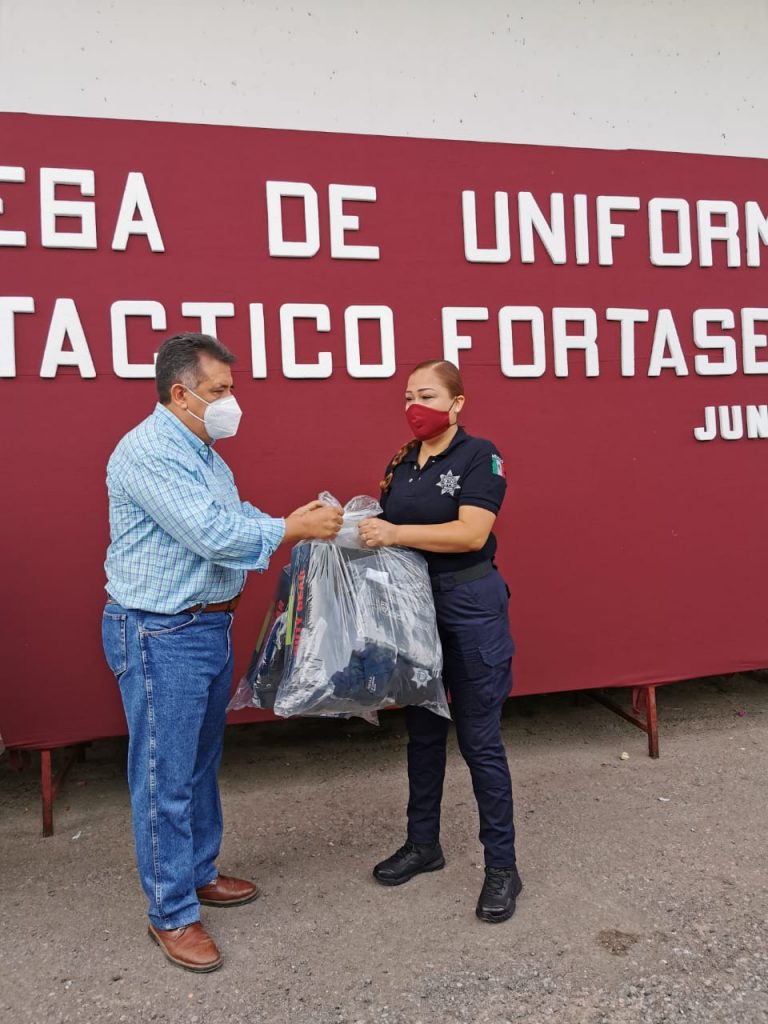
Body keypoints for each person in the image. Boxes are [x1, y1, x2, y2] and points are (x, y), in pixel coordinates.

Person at [101, 332, 342, 972]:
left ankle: (198, 872)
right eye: (221, 390)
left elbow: (232, 516)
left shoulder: (201, 451)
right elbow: (211, 533)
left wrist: (286, 520)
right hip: (160, 632)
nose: (233, 401)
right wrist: (290, 528)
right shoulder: (150, 451)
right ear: (182, 394)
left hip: (204, 627)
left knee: (198, 764)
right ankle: (171, 912)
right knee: (164, 775)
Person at [358, 359, 522, 923]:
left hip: (469, 606)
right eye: (408, 395)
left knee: (479, 739)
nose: (415, 406)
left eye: (427, 395)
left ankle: (502, 867)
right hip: (414, 609)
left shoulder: (480, 456)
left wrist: (395, 532)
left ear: (457, 403)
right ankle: (423, 844)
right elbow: (387, 532)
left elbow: (472, 532)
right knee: (423, 732)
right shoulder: (403, 461)